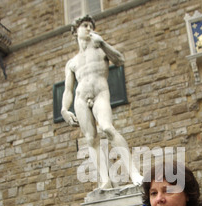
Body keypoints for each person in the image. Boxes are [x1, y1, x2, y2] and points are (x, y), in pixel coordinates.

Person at [61, 15, 142, 189]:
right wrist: (64, 109)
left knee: (107, 128)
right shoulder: (72, 62)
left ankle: (134, 172)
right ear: (76, 32)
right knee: (91, 139)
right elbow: (68, 89)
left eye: (91, 25)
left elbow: (120, 60)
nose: (89, 28)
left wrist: (103, 43)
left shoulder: (100, 49)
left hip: (100, 93)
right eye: (85, 25)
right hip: (80, 98)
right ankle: (105, 180)